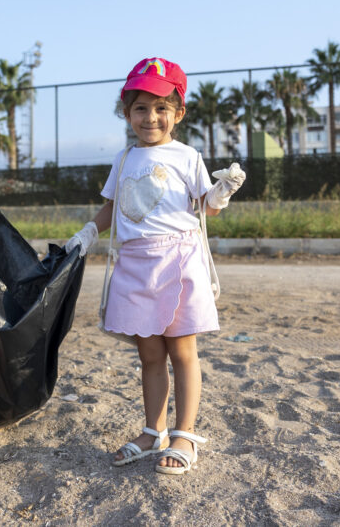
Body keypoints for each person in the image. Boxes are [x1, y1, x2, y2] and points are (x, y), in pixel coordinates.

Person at [64, 57, 246, 476]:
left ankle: (184, 433)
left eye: (162, 107)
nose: (151, 117)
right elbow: (113, 206)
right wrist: (87, 233)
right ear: (126, 112)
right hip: (134, 264)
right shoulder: (124, 159)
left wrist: (220, 194)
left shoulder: (187, 156)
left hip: (179, 262)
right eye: (141, 108)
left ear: (178, 113)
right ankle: (153, 430)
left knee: (182, 350)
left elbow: (205, 209)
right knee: (149, 353)